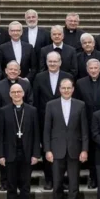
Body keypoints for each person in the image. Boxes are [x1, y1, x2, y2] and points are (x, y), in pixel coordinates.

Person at [43, 78, 88, 199]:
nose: (66, 91)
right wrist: (47, 150)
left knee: (74, 185)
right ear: (60, 89)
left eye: (69, 88)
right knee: (57, 184)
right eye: (64, 88)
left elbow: (84, 130)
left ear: (73, 89)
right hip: (56, 151)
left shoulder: (80, 105)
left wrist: (84, 150)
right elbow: (46, 130)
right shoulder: (51, 105)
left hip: (75, 150)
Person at [0, 83, 40, 199]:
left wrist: (36, 154)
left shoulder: (32, 110)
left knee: (25, 187)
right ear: (10, 94)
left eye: (19, 91)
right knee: (11, 186)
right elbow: (0, 135)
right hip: (10, 154)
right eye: (13, 92)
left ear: (23, 93)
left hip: (27, 154)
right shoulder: (3, 111)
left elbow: (36, 135)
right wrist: (1, 155)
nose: (16, 94)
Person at [32, 51, 74, 190]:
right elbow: (36, 100)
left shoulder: (68, 77)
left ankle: (64, 180)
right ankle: (49, 180)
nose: (52, 64)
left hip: (65, 120)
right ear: (46, 62)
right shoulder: (39, 77)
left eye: (55, 61)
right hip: (45, 120)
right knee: (47, 150)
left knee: (66, 150)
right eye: (50, 61)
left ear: (60, 62)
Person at [75, 58, 100, 189]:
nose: (93, 70)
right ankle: (93, 178)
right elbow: (78, 103)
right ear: (87, 69)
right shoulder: (80, 83)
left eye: (95, 68)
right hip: (87, 121)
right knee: (91, 152)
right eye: (90, 68)